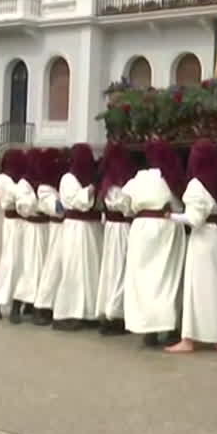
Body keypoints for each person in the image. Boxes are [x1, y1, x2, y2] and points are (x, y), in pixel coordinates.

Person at [166, 140, 217, 353]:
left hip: (205, 241)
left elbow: (195, 219)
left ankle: (190, 339)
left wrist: (171, 216)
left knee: (198, 289)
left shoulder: (197, 185)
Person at [122, 140, 188, 346]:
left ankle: (148, 329)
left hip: (142, 228)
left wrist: (134, 210)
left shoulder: (140, 177)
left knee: (143, 279)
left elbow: (125, 203)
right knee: (168, 278)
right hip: (168, 227)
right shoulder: (173, 176)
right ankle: (170, 325)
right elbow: (183, 202)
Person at [53, 144, 104, 330]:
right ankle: (65, 313)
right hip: (75, 228)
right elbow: (77, 201)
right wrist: (91, 188)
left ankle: (88, 313)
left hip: (91, 229)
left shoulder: (90, 177)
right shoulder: (68, 178)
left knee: (91, 270)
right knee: (74, 270)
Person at [96, 143, 137, 335]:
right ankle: (114, 314)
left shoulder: (108, 180)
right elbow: (125, 206)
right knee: (119, 270)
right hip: (121, 228)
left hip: (113, 229)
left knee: (113, 270)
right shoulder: (115, 182)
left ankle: (111, 312)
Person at [0, 149, 28, 320]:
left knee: (24, 263)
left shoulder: (22, 179)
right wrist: (26, 188)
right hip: (13, 224)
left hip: (25, 223)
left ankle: (17, 305)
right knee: (10, 262)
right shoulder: (3, 178)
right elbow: (14, 195)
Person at [9, 149, 48, 324]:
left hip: (45, 227)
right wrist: (39, 202)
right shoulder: (24, 184)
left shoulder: (45, 180)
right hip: (33, 227)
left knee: (42, 268)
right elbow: (23, 206)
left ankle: (35, 306)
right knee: (31, 267)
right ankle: (17, 305)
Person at [32, 149, 68, 326]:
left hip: (64, 229)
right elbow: (57, 209)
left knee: (60, 269)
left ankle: (54, 305)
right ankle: (41, 306)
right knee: (52, 268)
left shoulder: (55, 187)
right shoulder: (45, 189)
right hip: (57, 230)